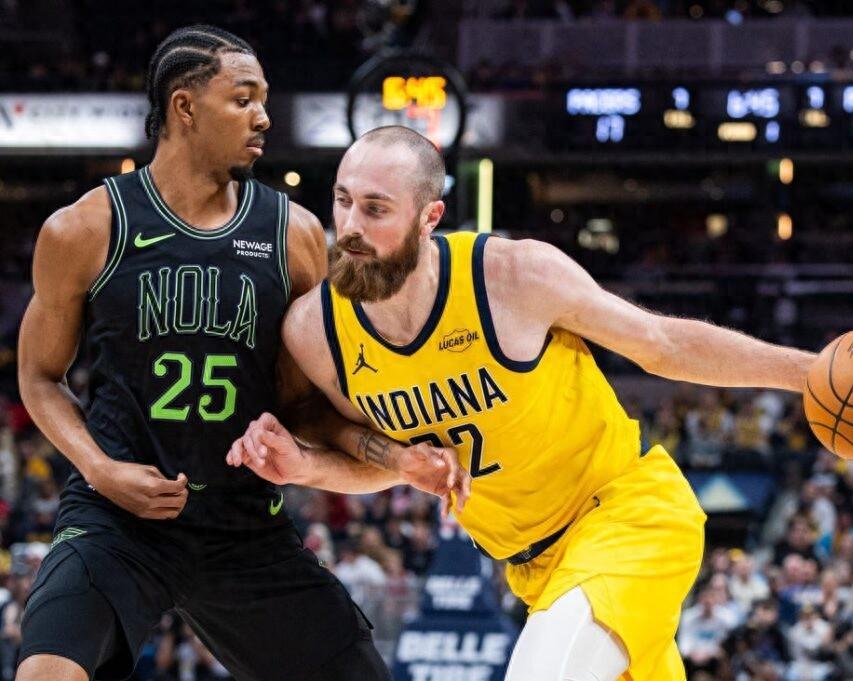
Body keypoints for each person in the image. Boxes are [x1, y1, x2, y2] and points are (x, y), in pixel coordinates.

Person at [230, 125, 818, 680]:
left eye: (376, 209)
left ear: (429, 218)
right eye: (342, 201)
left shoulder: (511, 278)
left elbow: (662, 343)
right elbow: (387, 463)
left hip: (626, 517)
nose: (351, 226)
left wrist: (810, 372)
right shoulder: (316, 333)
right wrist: (309, 467)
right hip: (535, 572)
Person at [15, 26, 464, 681]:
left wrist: (394, 456)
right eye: (244, 98)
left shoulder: (294, 235)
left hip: (243, 525)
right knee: (46, 671)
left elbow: (306, 406)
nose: (263, 117)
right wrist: (99, 468)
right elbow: (39, 376)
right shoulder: (85, 228)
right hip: (118, 519)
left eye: (264, 100)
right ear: (184, 107)